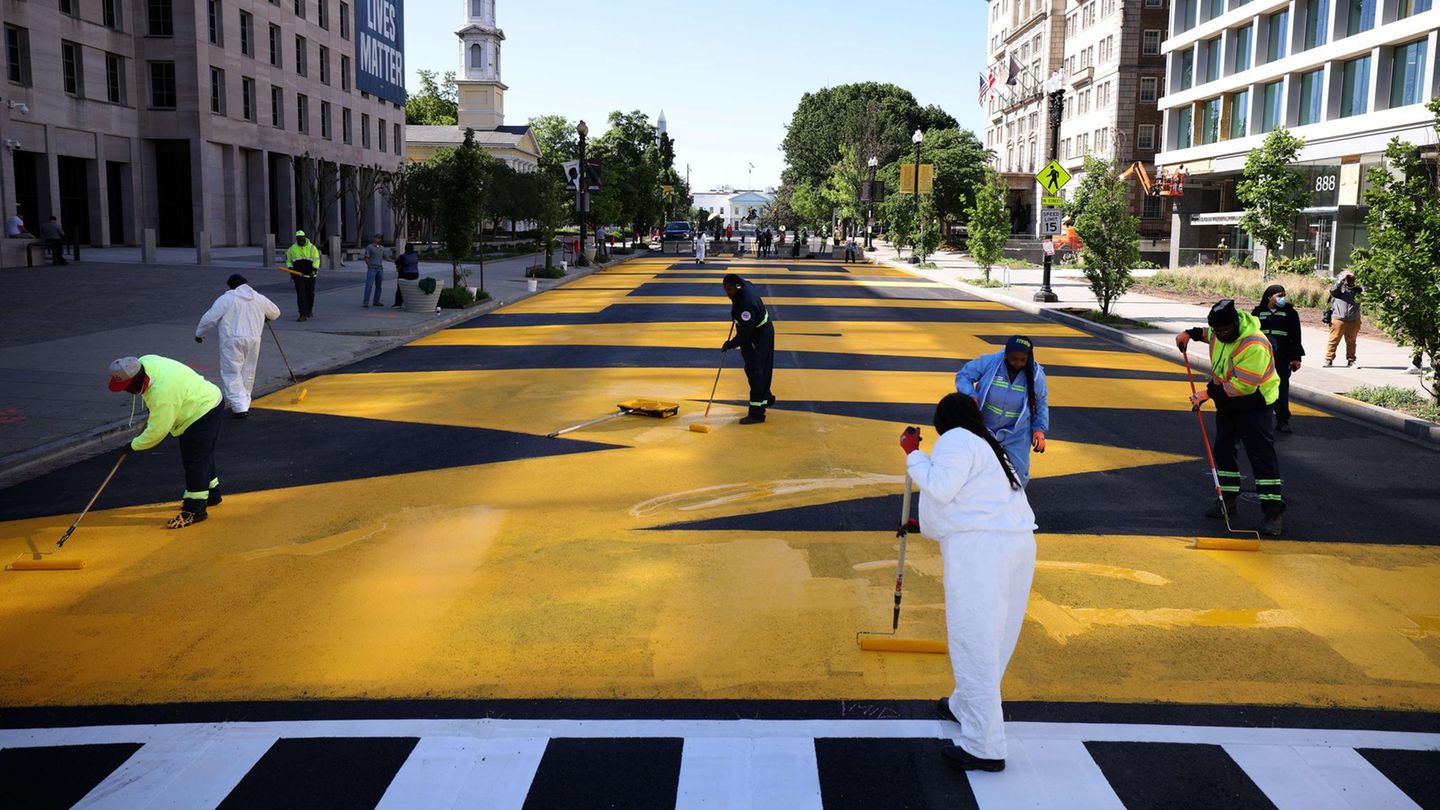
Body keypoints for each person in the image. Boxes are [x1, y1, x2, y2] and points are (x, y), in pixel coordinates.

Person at [901, 393, 1036, 774]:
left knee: (974, 639)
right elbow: (967, 501)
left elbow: (940, 487)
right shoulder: (988, 446)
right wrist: (922, 525)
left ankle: (984, 745)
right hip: (1015, 544)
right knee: (994, 638)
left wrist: (912, 453)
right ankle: (966, 706)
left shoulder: (957, 439)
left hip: (982, 552)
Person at [1176, 299, 1285, 535]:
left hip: (1255, 404)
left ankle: (1273, 513)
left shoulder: (1254, 344)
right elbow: (1209, 336)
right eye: (1217, 330)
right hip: (1228, 404)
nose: (1221, 334)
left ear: (1235, 323)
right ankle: (1227, 500)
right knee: (1223, 452)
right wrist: (1189, 334)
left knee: (1261, 456)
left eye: (1225, 330)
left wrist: (1206, 394)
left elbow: (1243, 386)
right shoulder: (1218, 333)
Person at [108, 355, 225, 529]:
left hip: (201, 410)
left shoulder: (162, 394)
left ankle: (195, 509)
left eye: (127, 387)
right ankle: (212, 493)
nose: (127, 391)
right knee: (202, 454)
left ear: (137, 378)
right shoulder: (145, 361)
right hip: (201, 399)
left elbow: (157, 432)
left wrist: (133, 445)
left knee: (195, 460)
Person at [953, 336, 1049, 487]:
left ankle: (1011, 506)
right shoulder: (990, 362)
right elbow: (964, 375)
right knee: (975, 468)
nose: (1018, 364)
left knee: (1019, 475)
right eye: (1013, 359)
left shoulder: (1036, 375)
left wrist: (1039, 430)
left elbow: (1041, 402)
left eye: (1023, 360)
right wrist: (970, 395)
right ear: (1005, 355)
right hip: (985, 427)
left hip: (1016, 432)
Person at [195, 273, 280, 419]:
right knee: (248, 371)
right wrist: (266, 317)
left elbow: (209, 318)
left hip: (232, 339)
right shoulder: (258, 297)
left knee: (231, 372)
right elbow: (275, 312)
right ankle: (245, 402)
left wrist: (199, 334)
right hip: (253, 340)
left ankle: (239, 406)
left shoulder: (227, 299)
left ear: (230, 286)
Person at [721, 273, 777, 424]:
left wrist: (731, 344)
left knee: (755, 370)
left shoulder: (747, 304)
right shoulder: (744, 285)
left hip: (759, 335)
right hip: (756, 331)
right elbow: (750, 284)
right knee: (757, 368)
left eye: (729, 290)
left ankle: (757, 412)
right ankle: (765, 396)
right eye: (725, 290)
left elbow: (746, 333)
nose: (727, 294)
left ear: (736, 287)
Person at [1252, 284, 1304, 433]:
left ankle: (1282, 420)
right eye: (1279, 295)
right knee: (1258, 388)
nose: (1283, 298)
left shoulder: (1290, 313)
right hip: (1261, 357)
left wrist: (1296, 358)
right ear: (1270, 297)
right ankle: (1258, 419)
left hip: (1282, 356)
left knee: (1282, 388)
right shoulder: (1257, 312)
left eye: (1284, 295)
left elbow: (1296, 336)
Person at [1325, 271, 1362, 367]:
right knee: (1334, 340)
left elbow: (1367, 291)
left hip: (1354, 319)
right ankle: (1329, 360)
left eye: (1351, 278)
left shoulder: (1357, 289)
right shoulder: (1339, 289)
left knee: (1351, 341)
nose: (1349, 280)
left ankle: (1351, 360)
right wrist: (1341, 280)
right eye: (1348, 278)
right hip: (1338, 318)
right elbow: (1333, 291)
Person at [285, 230, 320, 321]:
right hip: (298, 276)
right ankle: (302, 314)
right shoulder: (292, 249)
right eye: (299, 237)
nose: (301, 239)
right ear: (296, 238)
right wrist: (291, 268)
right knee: (301, 295)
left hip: (310, 275)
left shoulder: (312, 247)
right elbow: (289, 260)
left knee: (310, 294)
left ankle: (309, 310)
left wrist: (314, 269)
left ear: (305, 237)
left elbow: (316, 259)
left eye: (302, 237)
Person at [362, 234, 388, 308]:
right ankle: (366, 302)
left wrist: (394, 261)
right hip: (372, 268)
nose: (379, 239)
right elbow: (366, 257)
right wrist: (369, 266)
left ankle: (376, 301)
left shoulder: (382, 248)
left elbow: (386, 257)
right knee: (369, 285)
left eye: (380, 238)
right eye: (378, 238)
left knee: (379, 286)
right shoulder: (370, 247)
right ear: (374, 238)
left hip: (380, 268)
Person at [393, 243, 419, 307]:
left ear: (405, 249)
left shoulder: (403, 256)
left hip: (406, 274)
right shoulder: (415, 255)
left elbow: (396, 262)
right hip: (415, 274)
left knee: (399, 288)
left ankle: (398, 304)